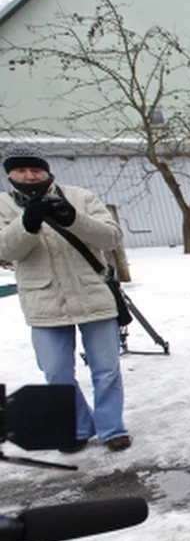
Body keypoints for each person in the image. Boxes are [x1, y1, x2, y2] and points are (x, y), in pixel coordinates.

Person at [0, 143, 131, 453]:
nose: (30, 176)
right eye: (21, 170)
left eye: (36, 169)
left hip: (93, 297)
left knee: (107, 369)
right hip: (44, 302)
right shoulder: (4, 207)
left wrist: (74, 219)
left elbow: (111, 236)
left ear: (47, 171)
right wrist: (27, 224)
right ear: (10, 174)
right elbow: (4, 252)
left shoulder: (79, 197)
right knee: (56, 372)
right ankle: (79, 427)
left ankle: (112, 428)